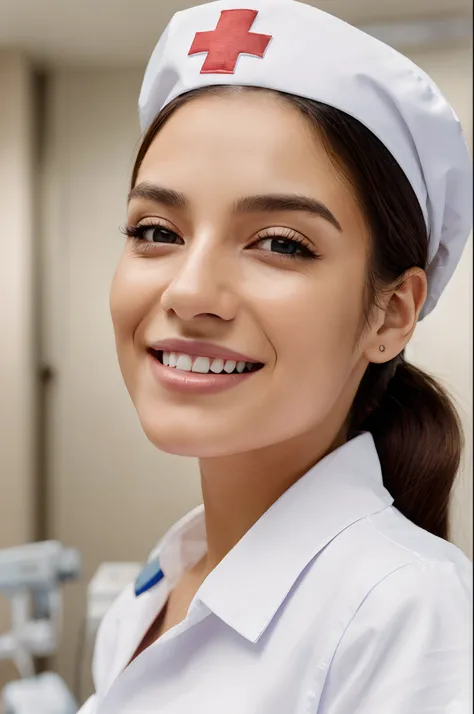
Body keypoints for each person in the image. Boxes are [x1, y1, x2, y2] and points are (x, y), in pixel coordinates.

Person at [77, 0, 472, 712]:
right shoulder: (158, 588)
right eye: (157, 229)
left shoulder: (410, 617)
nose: (191, 291)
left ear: (391, 313)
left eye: (281, 243)